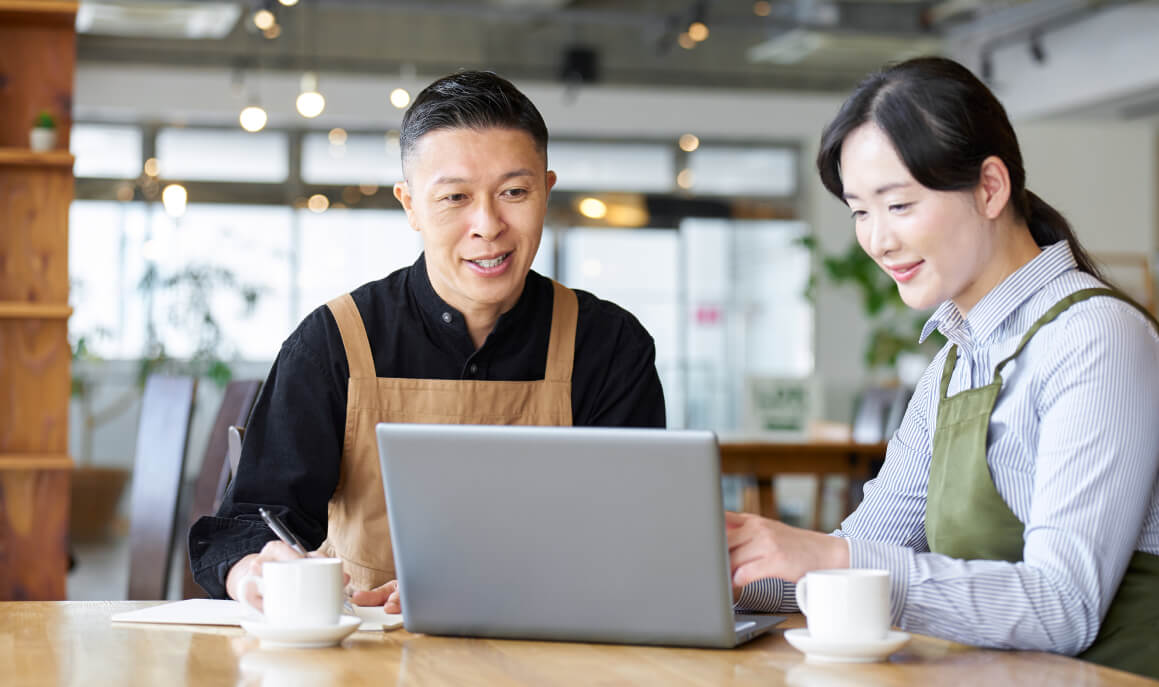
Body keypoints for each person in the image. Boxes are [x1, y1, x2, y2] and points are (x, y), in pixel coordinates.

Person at [726, 56, 1159, 678]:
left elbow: (1065, 606)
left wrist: (826, 557)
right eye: (860, 211)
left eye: (898, 205)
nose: (877, 241)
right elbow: (867, 554)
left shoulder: (1096, 339)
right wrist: (730, 567)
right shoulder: (957, 362)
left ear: (990, 187)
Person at [189, 71, 666, 613]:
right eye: (455, 197)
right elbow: (245, 525)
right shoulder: (335, 342)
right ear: (410, 205)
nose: (487, 225)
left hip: (549, 651)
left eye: (514, 192)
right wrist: (257, 569)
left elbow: (635, 542)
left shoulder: (608, 345)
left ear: (546, 193)